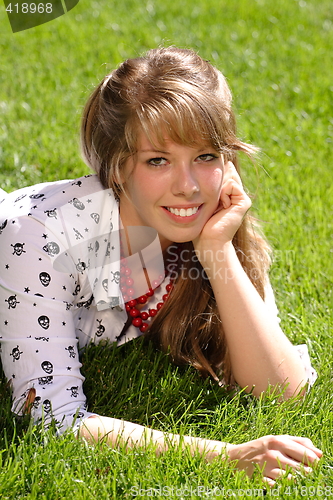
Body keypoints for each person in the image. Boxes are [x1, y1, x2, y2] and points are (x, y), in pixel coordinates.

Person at [0, 46, 321, 484]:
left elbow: (283, 391)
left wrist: (216, 251)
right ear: (117, 169)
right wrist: (227, 456)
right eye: (158, 160)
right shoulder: (39, 238)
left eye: (205, 156)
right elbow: (50, 417)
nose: (187, 187)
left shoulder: (209, 228)